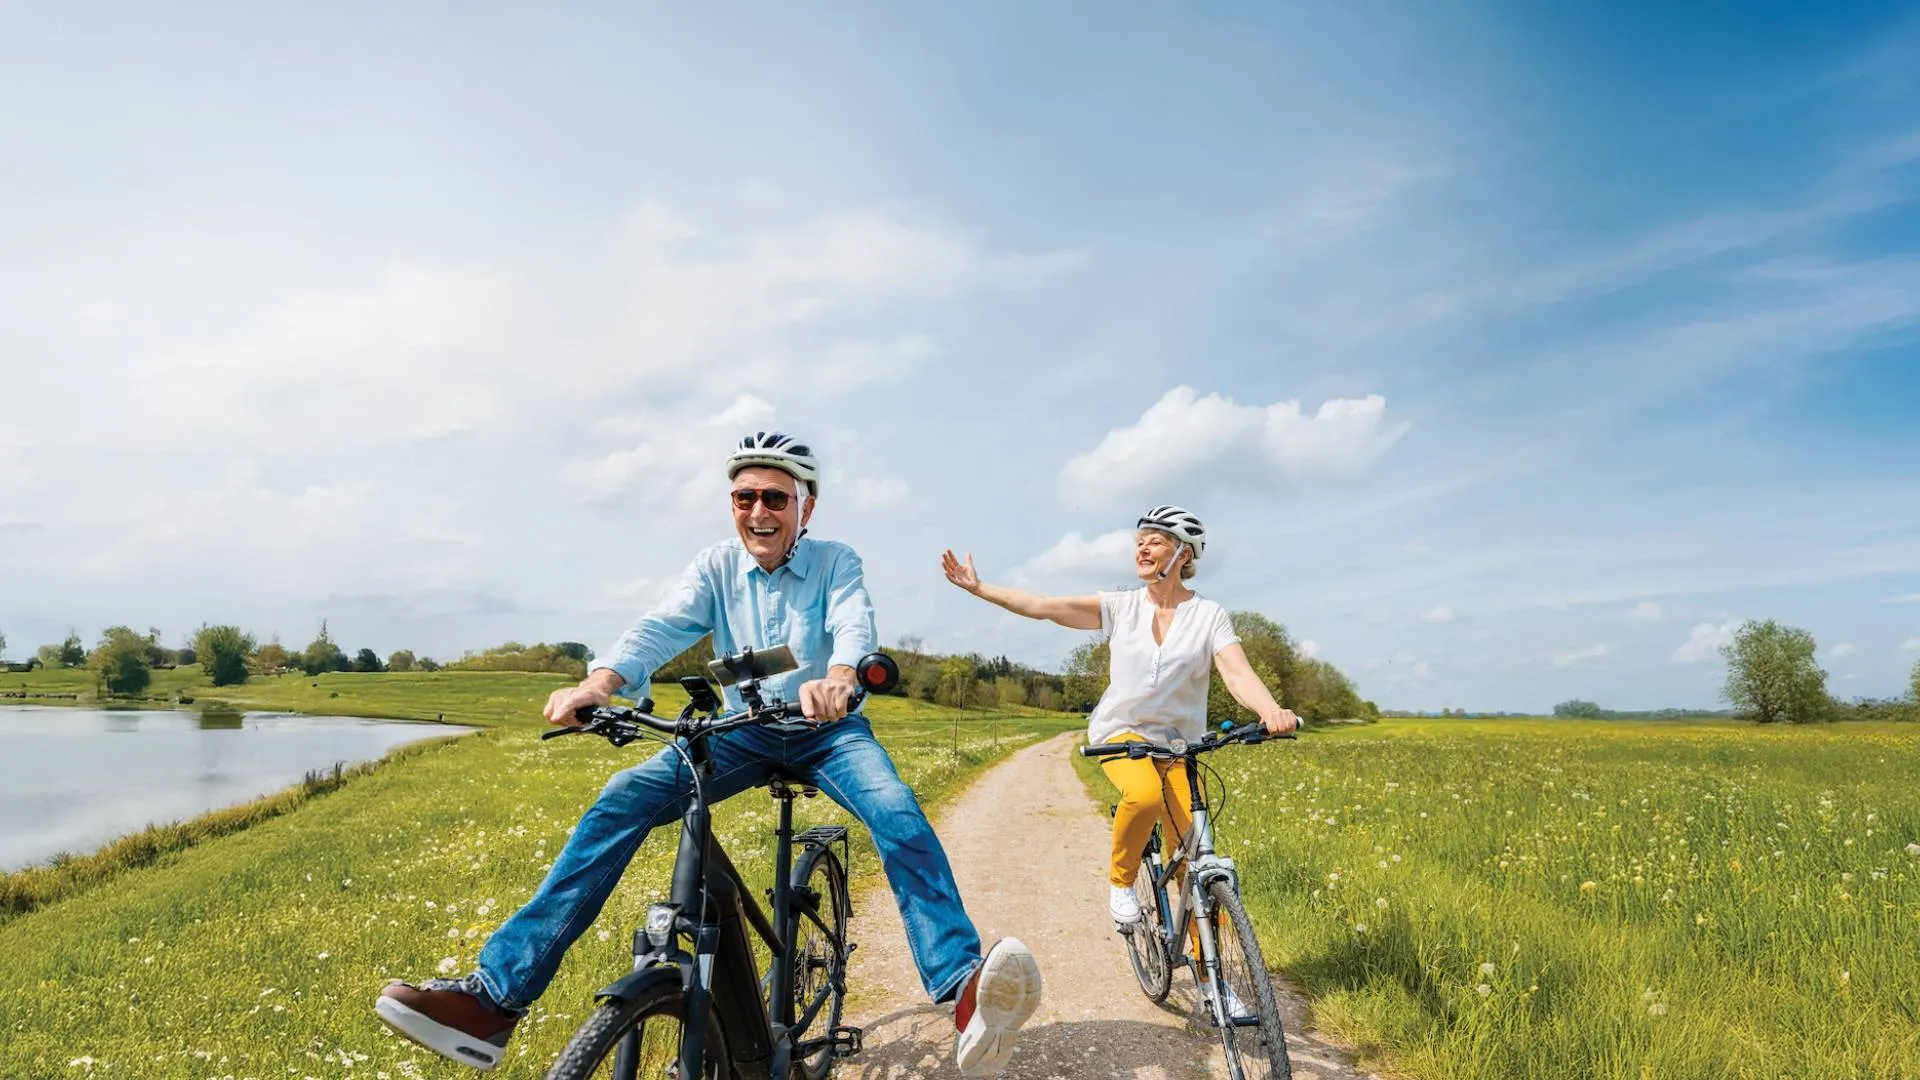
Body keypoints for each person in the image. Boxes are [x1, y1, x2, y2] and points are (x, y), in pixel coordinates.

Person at [378, 432, 1042, 1076]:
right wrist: (598, 685)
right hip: (744, 730)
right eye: (745, 497)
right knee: (621, 799)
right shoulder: (715, 567)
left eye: (776, 499)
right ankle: (493, 1000)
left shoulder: (837, 561)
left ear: (805, 508)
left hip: (829, 732)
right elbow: (659, 627)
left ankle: (960, 985)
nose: (759, 511)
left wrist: (840, 678)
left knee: (895, 810)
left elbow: (852, 621)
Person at [942, 504, 1296, 1013]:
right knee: (1144, 795)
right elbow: (1044, 605)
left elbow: (1237, 673)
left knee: (1195, 860)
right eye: (1140, 540)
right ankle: (1121, 884)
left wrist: (1270, 710)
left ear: (1183, 552)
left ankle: (1213, 983)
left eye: (1155, 540)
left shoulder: (1208, 615)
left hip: (1177, 745)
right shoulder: (1122, 607)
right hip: (1121, 735)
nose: (1142, 548)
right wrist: (980, 588)